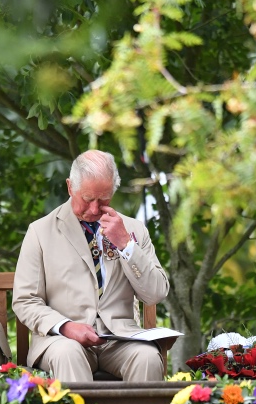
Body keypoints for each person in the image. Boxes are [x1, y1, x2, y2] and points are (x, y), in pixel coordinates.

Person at [13, 149, 171, 382]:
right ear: (70, 187)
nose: (95, 209)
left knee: (147, 357)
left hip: (120, 339)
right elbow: (25, 300)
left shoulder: (134, 230)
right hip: (62, 340)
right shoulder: (40, 231)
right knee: (69, 354)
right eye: (87, 199)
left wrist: (126, 245)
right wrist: (65, 326)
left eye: (104, 199)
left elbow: (156, 293)